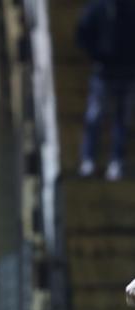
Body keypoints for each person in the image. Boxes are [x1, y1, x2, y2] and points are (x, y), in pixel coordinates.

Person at [76, 0, 135, 181]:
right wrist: (97, 55)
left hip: (127, 73)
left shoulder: (130, 8)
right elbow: (83, 34)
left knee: (122, 120)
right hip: (103, 73)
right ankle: (88, 160)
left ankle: (116, 162)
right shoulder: (97, 8)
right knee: (95, 116)